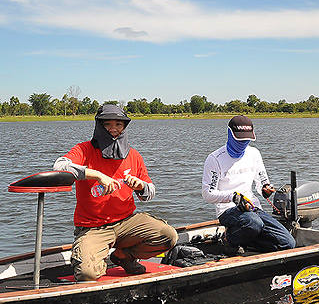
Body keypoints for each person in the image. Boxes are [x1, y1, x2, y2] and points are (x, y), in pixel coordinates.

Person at [53, 104, 178, 281]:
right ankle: (96, 257)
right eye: (107, 125)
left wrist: (140, 186)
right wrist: (96, 175)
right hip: (93, 226)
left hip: (126, 222)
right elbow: (59, 166)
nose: (114, 129)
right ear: (99, 126)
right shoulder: (84, 150)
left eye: (119, 125)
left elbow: (150, 193)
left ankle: (123, 257)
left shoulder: (133, 155)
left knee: (168, 236)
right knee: (87, 274)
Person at [202, 115, 296, 254]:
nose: (244, 142)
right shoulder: (215, 159)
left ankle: (246, 241)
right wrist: (233, 197)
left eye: (247, 139)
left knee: (288, 243)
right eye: (240, 139)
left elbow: (262, 182)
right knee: (253, 223)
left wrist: (266, 189)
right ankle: (228, 239)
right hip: (228, 209)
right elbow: (207, 194)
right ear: (230, 134)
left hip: (253, 208)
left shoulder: (254, 154)